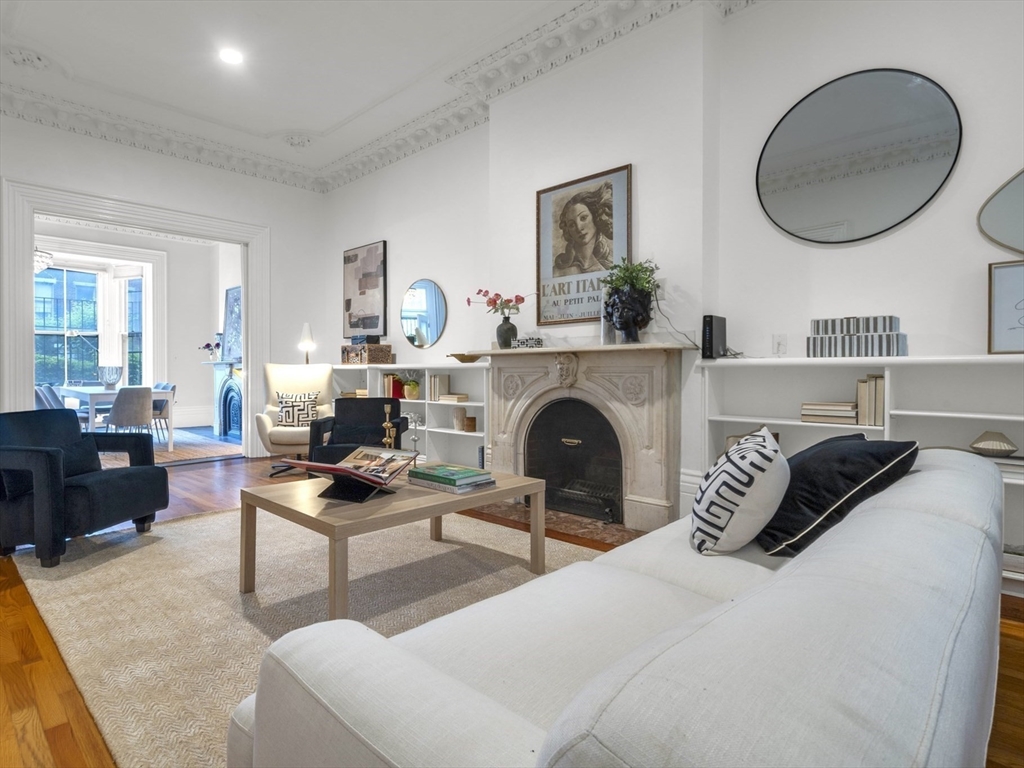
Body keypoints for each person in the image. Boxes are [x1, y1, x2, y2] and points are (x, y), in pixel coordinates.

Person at [552, 181, 615, 277]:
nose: (579, 227)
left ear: (594, 217)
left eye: (583, 218)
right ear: (568, 231)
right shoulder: (557, 272)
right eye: (572, 225)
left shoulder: (605, 268)